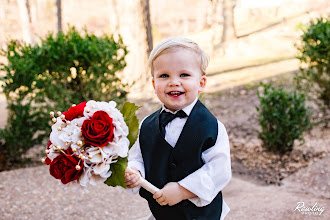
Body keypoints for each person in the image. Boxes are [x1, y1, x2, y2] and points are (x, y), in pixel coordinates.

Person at [124, 37, 231, 220]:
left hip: (202, 216)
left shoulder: (212, 128)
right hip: (163, 214)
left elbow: (218, 170)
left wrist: (183, 190)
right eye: (164, 76)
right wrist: (135, 172)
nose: (174, 82)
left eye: (184, 75)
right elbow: (138, 157)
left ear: (201, 83)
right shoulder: (147, 126)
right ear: (153, 84)